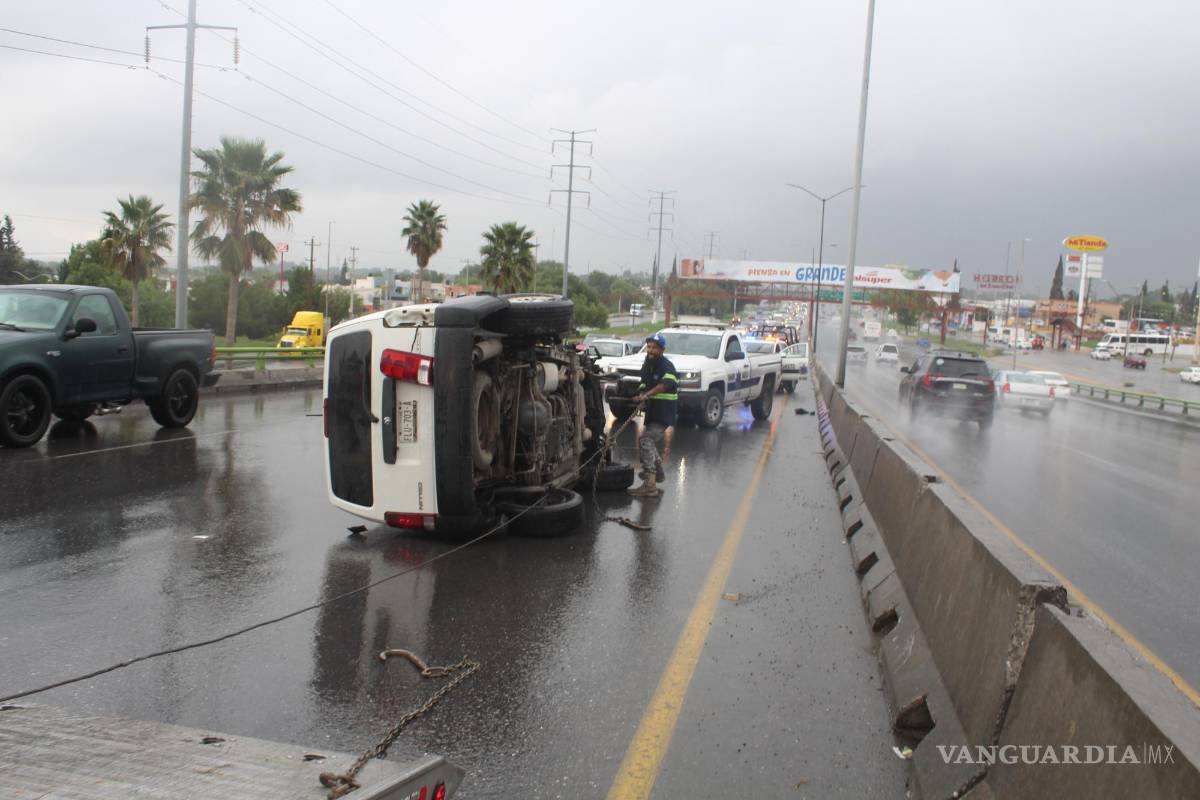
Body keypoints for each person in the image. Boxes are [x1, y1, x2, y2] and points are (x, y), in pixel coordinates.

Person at [628, 333, 678, 497]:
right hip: (653, 411)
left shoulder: (667, 366)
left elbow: (664, 386)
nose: (650, 350)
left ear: (662, 350)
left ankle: (650, 485)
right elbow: (644, 382)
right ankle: (659, 473)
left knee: (646, 440)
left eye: (654, 348)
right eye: (649, 347)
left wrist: (647, 395)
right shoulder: (647, 365)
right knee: (647, 441)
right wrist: (640, 394)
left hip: (664, 412)